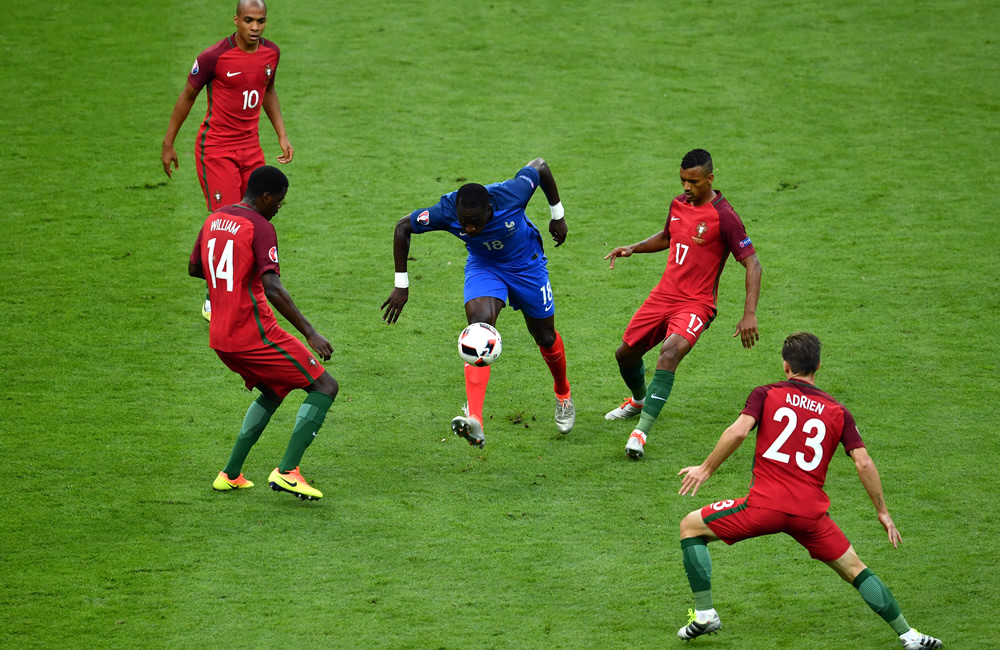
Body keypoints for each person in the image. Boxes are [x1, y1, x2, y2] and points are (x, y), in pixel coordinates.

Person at [674, 332, 942, 649]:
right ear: (819, 366)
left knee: (690, 526)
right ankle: (909, 635)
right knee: (856, 570)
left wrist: (705, 469)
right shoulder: (838, 411)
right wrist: (882, 512)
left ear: (786, 366)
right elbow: (864, 463)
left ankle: (704, 614)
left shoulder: (766, 394)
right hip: (811, 516)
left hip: (763, 509)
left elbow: (738, 431)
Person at [380, 159, 574, 447]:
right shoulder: (445, 211)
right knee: (479, 331)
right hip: (485, 267)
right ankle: (475, 420)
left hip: (526, 265)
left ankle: (563, 395)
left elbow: (541, 167)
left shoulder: (512, 193)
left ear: (490, 210)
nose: (469, 230)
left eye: (476, 223)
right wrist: (401, 285)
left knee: (544, 336)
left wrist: (557, 214)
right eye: (464, 224)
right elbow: (401, 228)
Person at [189, 166, 336, 501]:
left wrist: (229, 285)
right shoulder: (260, 226)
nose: (280, 208)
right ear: (266, 197)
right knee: (325, 385)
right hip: (253, 334)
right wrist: (311, 333)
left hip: (221, 337)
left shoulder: (214, 218)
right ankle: (287, 472)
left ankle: (230, 474)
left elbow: (195, 267)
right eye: (280, 201)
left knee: (273, 388)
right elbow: (272, 287)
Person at [603, 149, 762, 459]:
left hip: (696, 303)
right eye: (683, 180)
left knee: (670, 351)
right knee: (625, 355)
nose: (687, 187)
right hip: (663, 295)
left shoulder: (725, 216)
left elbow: (753, 264)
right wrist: (634, 248)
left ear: (710, 179)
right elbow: (667, 237)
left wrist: (749, 314)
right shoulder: (679, 203)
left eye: (694, 181)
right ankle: (638, 401)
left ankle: (641, 433)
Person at [164, 0, 294, 322]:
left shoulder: (271, 54)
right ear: (236, 19)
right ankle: (213, 295)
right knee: (225, 218)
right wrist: (168, 143)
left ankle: (249, 281)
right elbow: (187, 96)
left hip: (250, 149)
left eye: (260, 21)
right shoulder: (214, 57)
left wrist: (281, 134)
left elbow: (268, 89)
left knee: (259, 216)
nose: (254, 27)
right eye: (248, 20)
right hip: (217, 150)